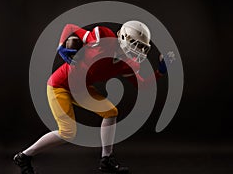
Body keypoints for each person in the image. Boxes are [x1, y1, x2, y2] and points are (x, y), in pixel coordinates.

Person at [13, 21, 167, 174]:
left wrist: (160, 72)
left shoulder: (127, 64)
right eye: (135, 44)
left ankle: (106, 160)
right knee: (68, 132)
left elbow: (143, 85)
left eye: (141, 47)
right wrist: (60, 46)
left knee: (111, 112)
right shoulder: (103, 38)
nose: (137, 50)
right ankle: (24, 156)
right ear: (124, 37)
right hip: (60, 86)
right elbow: (70, 27)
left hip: (82, 90)